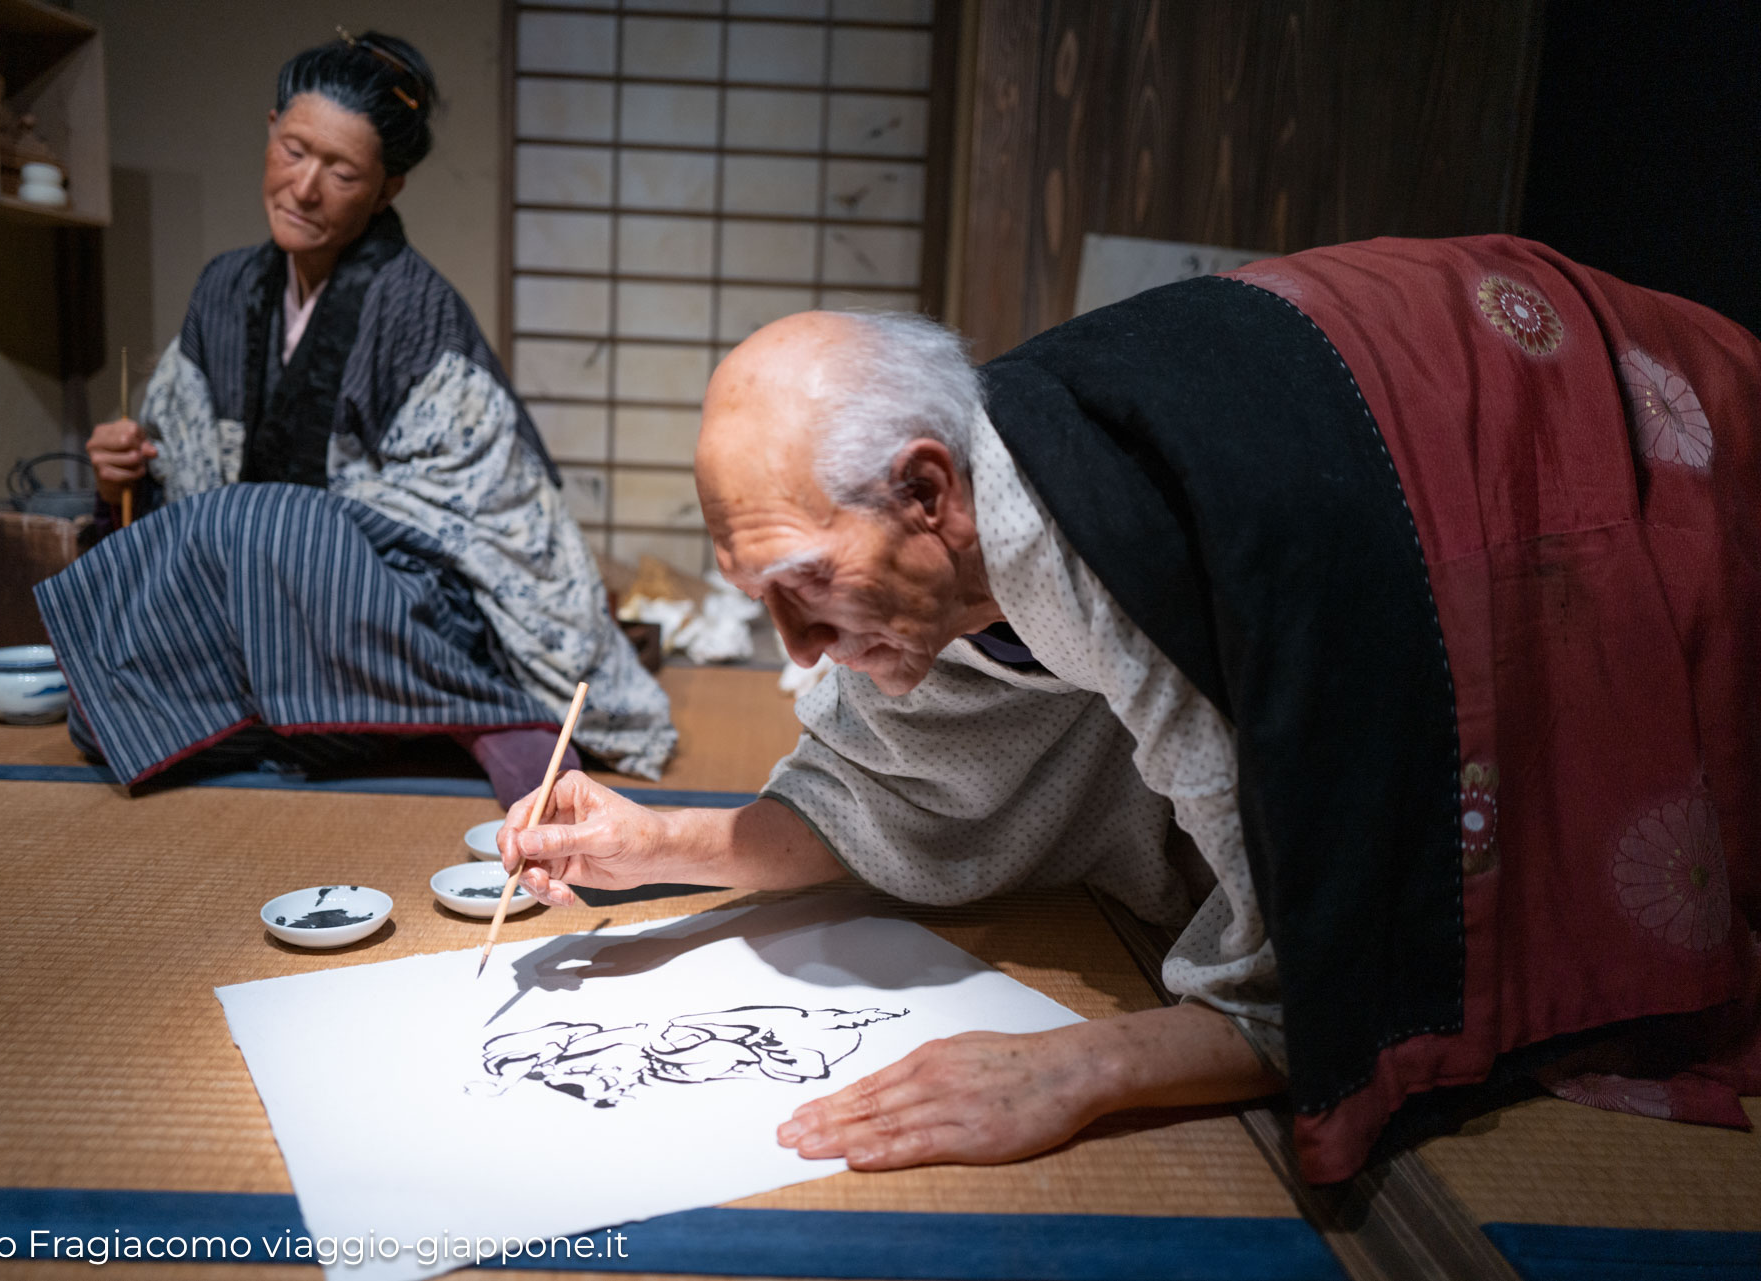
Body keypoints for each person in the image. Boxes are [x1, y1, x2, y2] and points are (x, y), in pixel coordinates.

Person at [498, 235, 1761, 1183]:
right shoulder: (949, 561)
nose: (796, 648)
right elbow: (886, 797)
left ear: (928, 490)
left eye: (808, 589)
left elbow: (1304, 977)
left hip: (1550, 414)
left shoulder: (1132, 557)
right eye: (758, 598)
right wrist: (658, 844)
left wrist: (1082, 1067)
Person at [35, 31, 673, 800]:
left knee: (265, 527)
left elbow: (477, 517)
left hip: (385, 609)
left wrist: (286, 532)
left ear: (387, 188)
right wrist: (126, 472)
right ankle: (360, 717)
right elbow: (179, 494)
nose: (305, 188)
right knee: (100, 713)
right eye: (295, 149)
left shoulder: (416, 308)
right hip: (257, 595)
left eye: (341, 171)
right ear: (270, 128)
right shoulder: (224, 288)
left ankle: (477, 709)